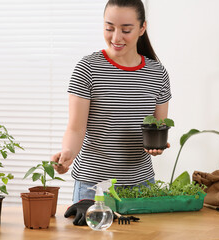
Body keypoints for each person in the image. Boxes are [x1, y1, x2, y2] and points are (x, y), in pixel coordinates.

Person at [51, 0, 171, 225]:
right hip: (93, 187)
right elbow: (76, 128)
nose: (116, 37)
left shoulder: (157, 73)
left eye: (126, 30)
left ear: (142, 28)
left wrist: (158, 146)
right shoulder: (88, 68)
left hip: (140, 185)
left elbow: (159, 126)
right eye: (109, 28)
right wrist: (67, 154)